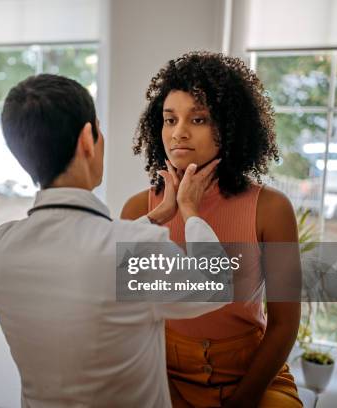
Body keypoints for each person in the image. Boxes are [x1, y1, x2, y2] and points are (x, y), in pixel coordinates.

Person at [0, 74, 240, 407]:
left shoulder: (3, 244)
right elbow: (217, 283)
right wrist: (189, 210)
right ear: (87, 140)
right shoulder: (133, 249)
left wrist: (154, 217)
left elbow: (83, 253)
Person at [122, 52, 302, 407]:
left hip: (254, 373)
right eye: (169, 119)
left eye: (199, 119)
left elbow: (283, 324)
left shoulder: (271, 209)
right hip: (164, 373)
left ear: (231, 126)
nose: (178, 133)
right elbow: (130, 316)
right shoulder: (138, 210)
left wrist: (244, 399)